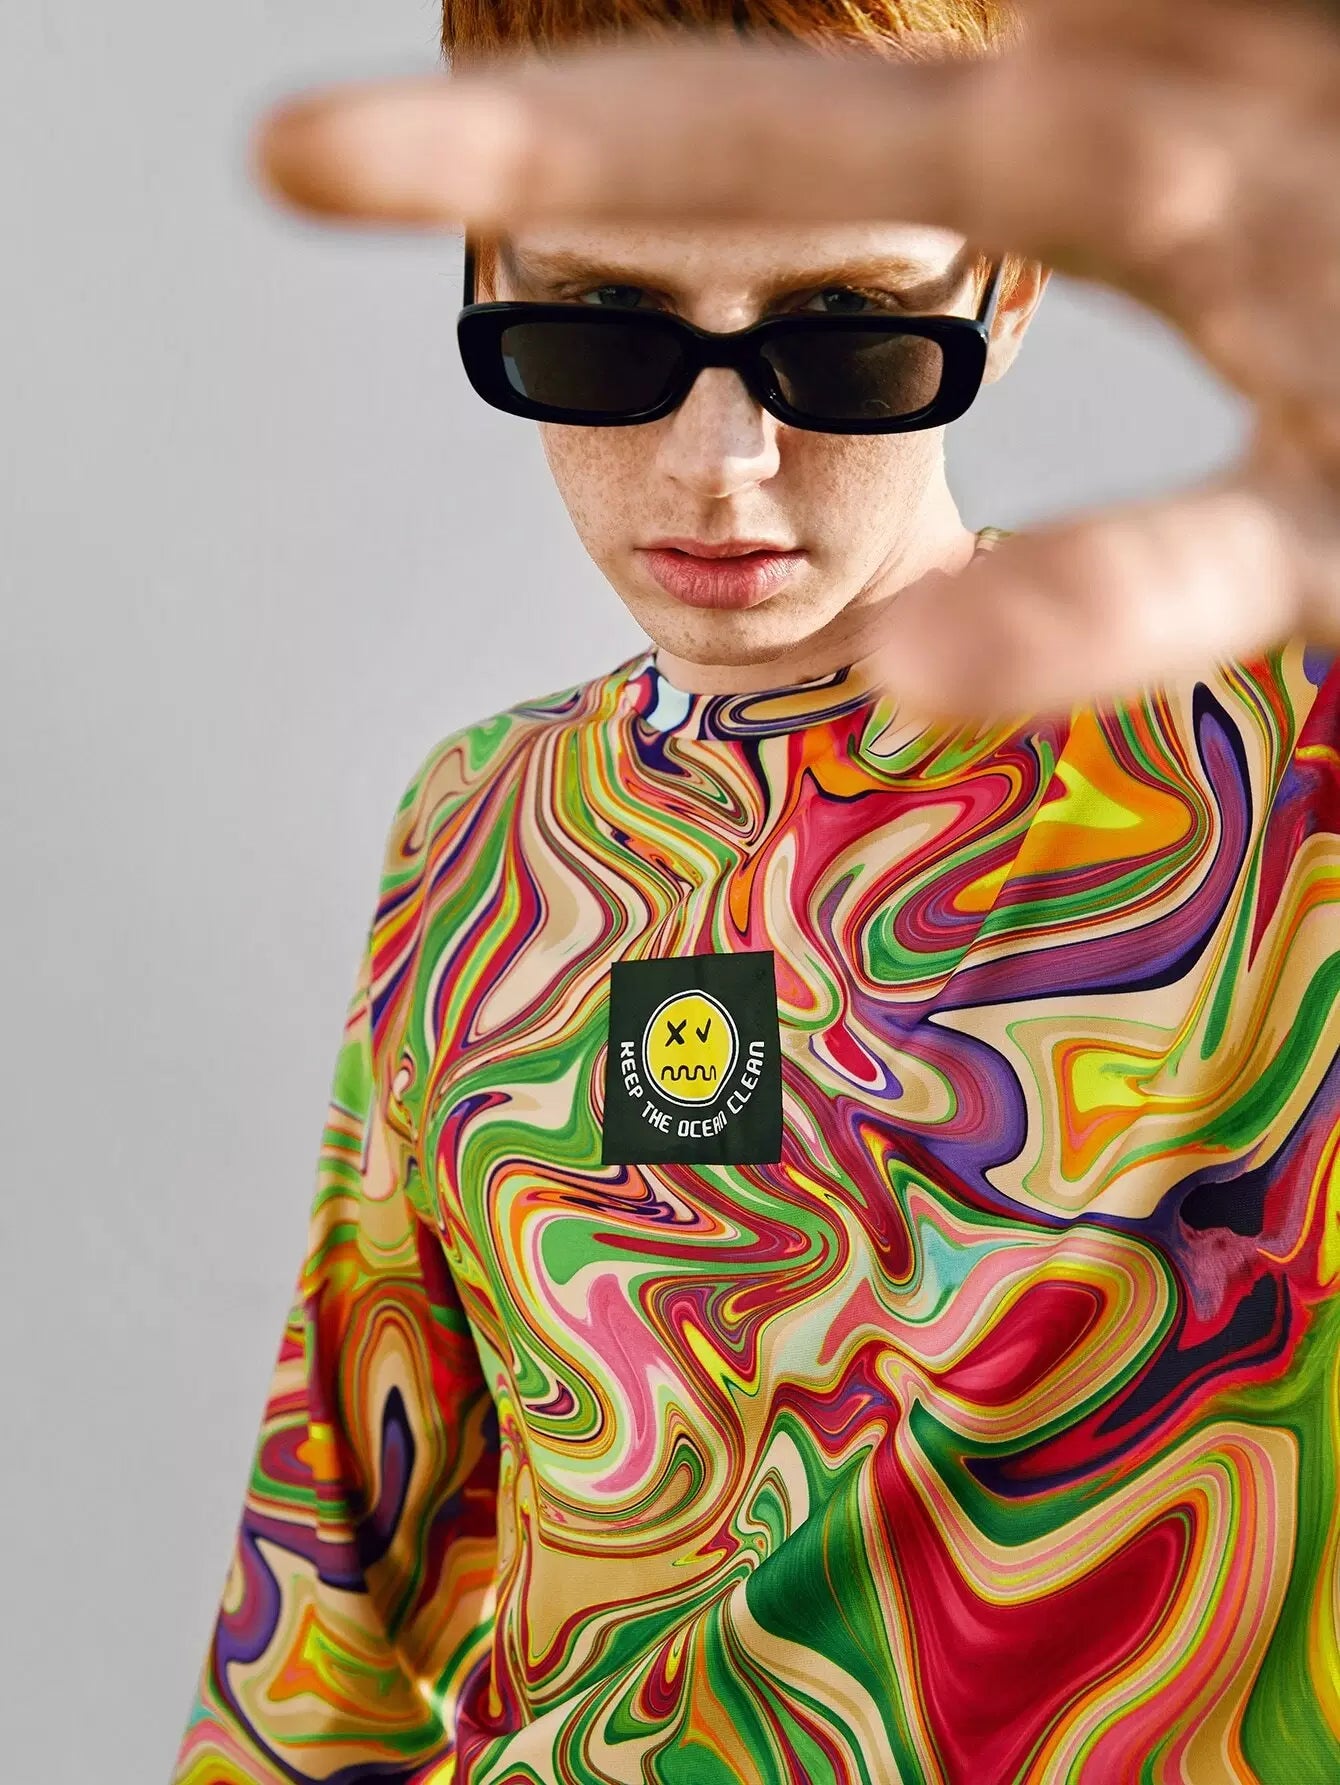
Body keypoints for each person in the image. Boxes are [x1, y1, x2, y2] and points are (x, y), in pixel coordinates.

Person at [174, 3, 1340, 1781]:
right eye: (601, 324)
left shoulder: (1281, 748)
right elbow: (346, 1553)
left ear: (1011, 287)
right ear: (485, 271)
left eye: (849, 331)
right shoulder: (478, 829)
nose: (719, 462)